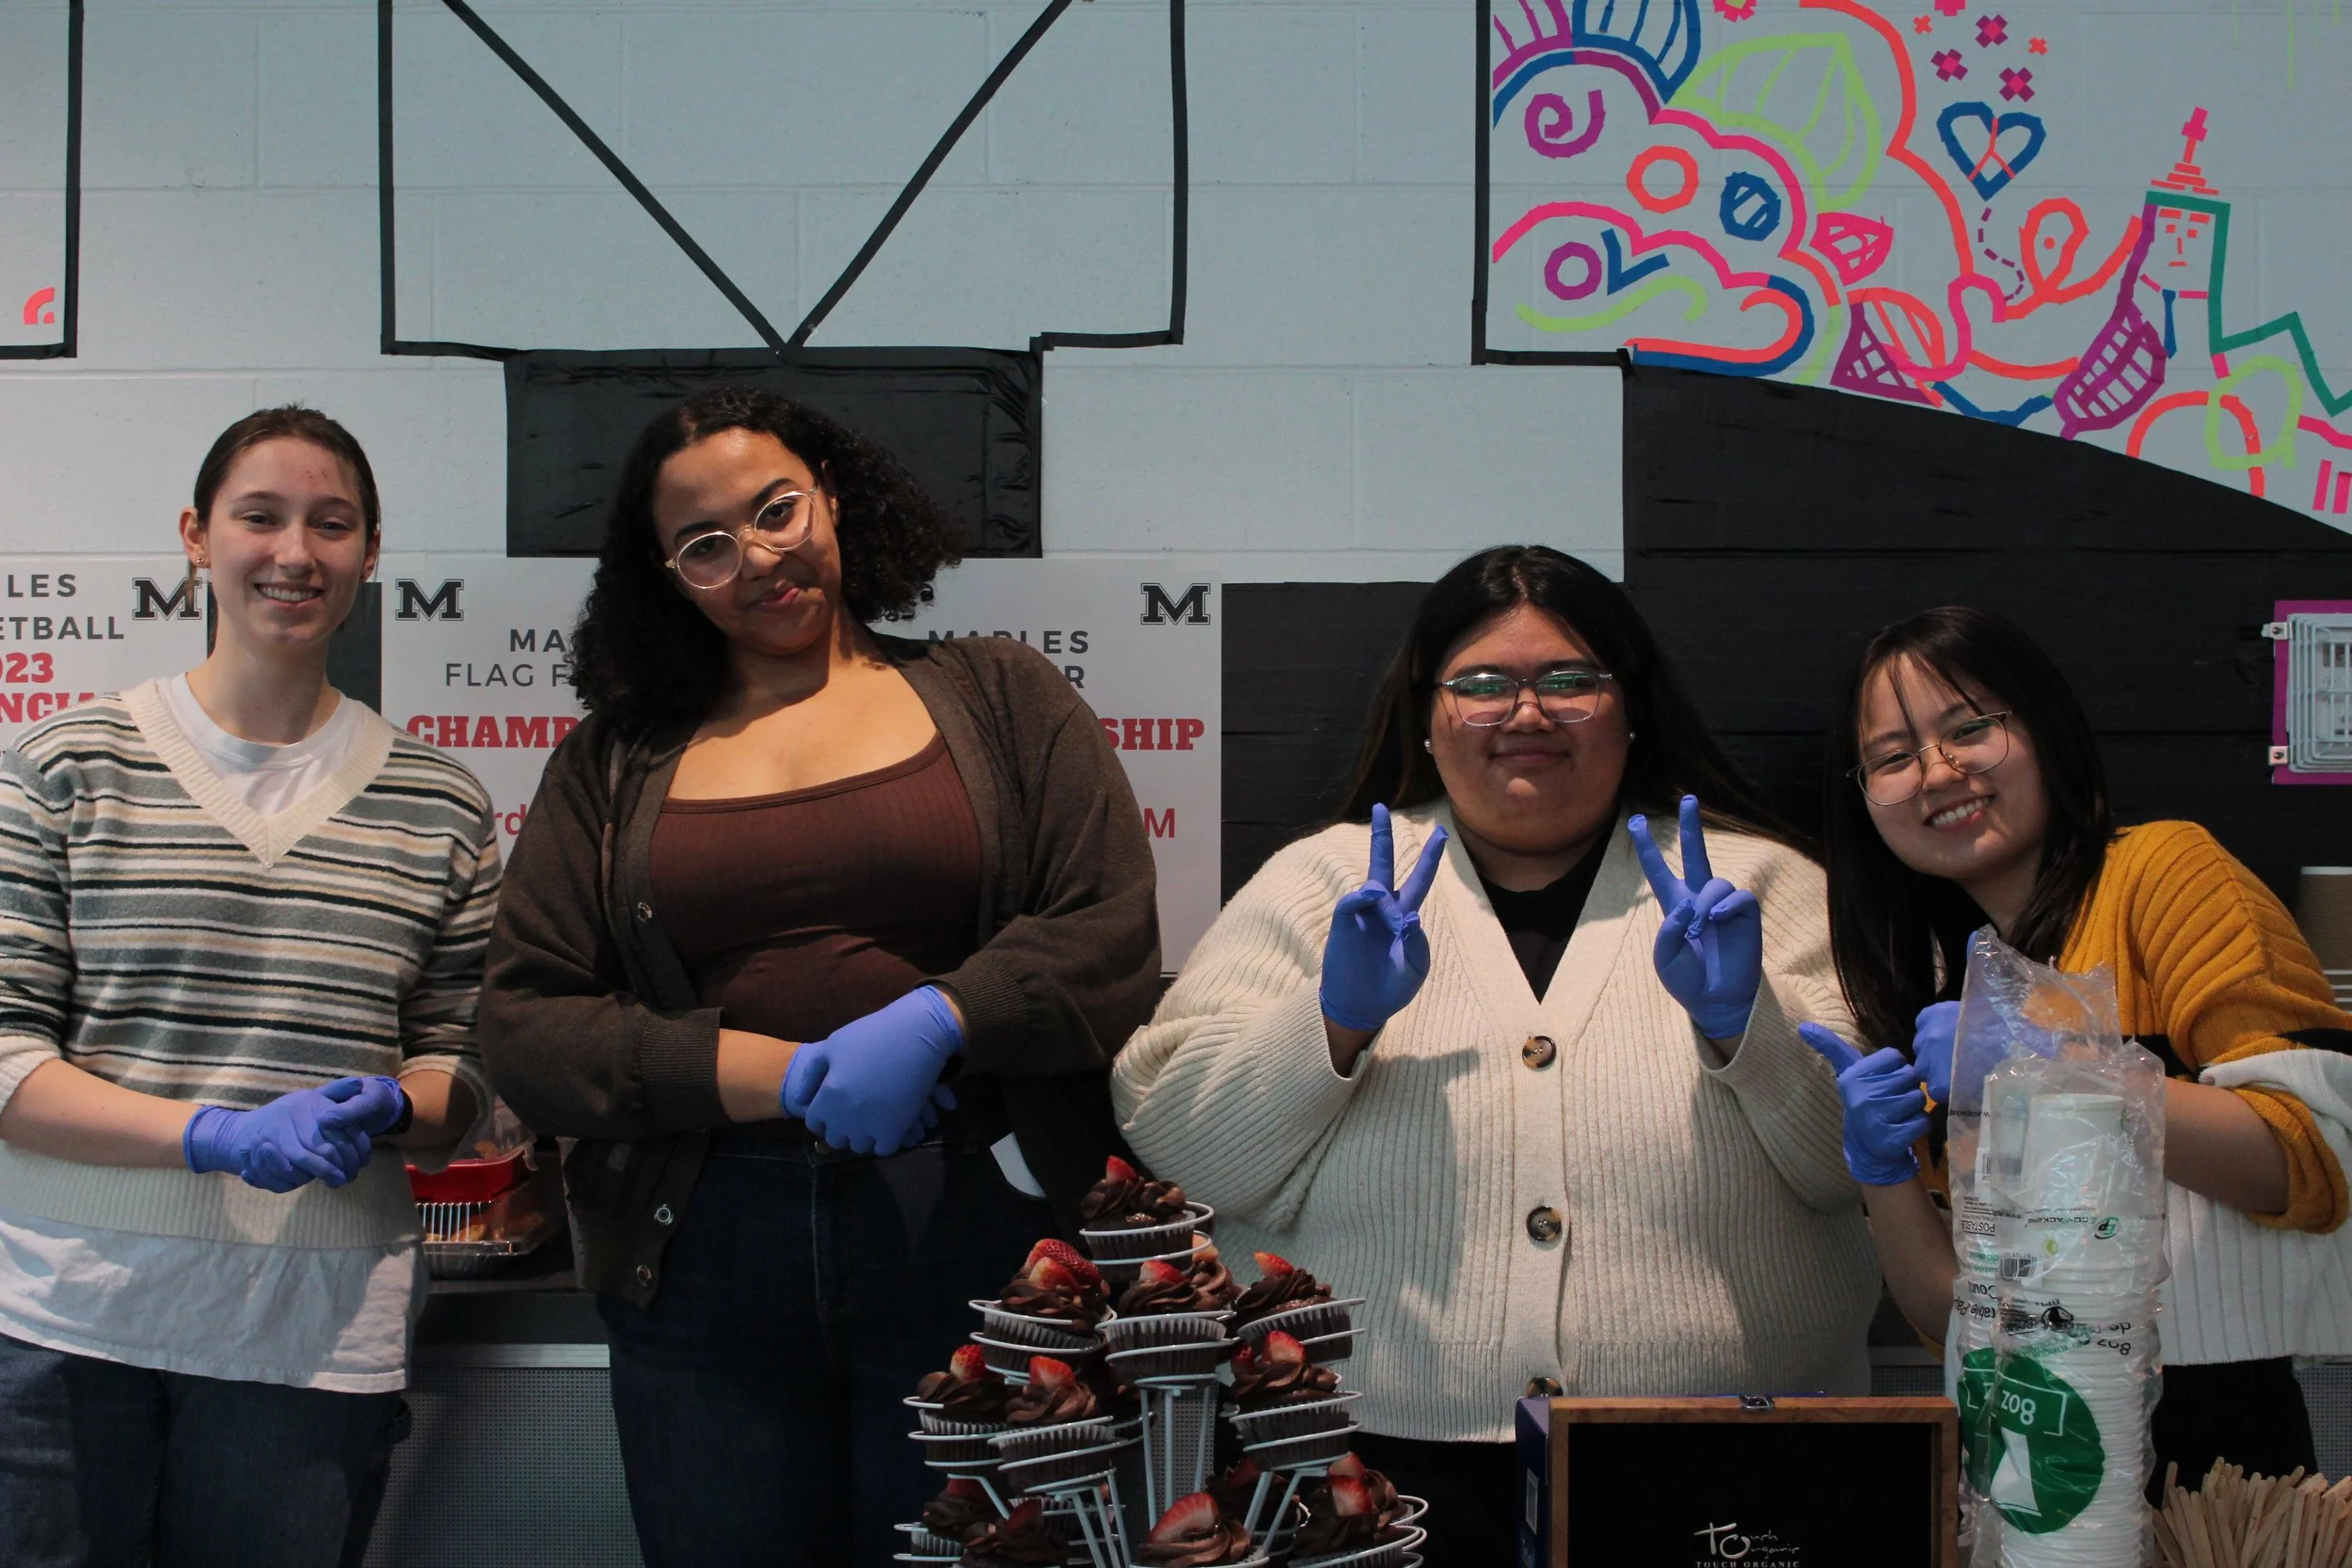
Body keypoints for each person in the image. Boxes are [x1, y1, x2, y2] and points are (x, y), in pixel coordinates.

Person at [476, 385, 1160, 1568]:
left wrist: (946, 1015)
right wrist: (776, 1075)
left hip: (977, 1221)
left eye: (776, 508)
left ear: (833, 496)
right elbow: (529, 1024)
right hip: (699, 1248)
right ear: (666, 577)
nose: (757, 557)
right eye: (705, 544)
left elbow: (1107, 932)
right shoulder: (612, 762)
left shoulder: (1002, 695)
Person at [1112, 546, 1879, 1567]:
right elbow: (1180, 1141)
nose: (1527, 712)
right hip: (1369, 1466)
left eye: (1569, 679)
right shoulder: (1321, 883)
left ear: (1631, 706)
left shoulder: (1757, 886)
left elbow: (1859, 1166)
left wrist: (1748, 1027)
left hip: (1725, 1458)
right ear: (1426, 717)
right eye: (1480, 684)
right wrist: (1330, 1020)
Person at [0, 406, 499, 1568]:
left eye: (332, 524)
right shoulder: (70, 763)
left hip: (312, 1335)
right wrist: (212, 1134)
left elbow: (463, 1060)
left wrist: (403, 1107)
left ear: (372, 553)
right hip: (65, 1317)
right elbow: (6, 1053)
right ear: (194, 534)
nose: (295, 553)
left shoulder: (441, 800)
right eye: (259, 517)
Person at [1800, 605, 2352, 1492]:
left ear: (2044, 726)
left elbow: (2314, 1163)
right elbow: (1955, 1316)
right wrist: (1882, 1170)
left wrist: (2059, 1064)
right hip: (2028, 1442)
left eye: (1969, 727)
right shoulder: (1946, 984)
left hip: (2212, 1452)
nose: (1938, 772)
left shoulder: (2164, 873)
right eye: (1894, 757)